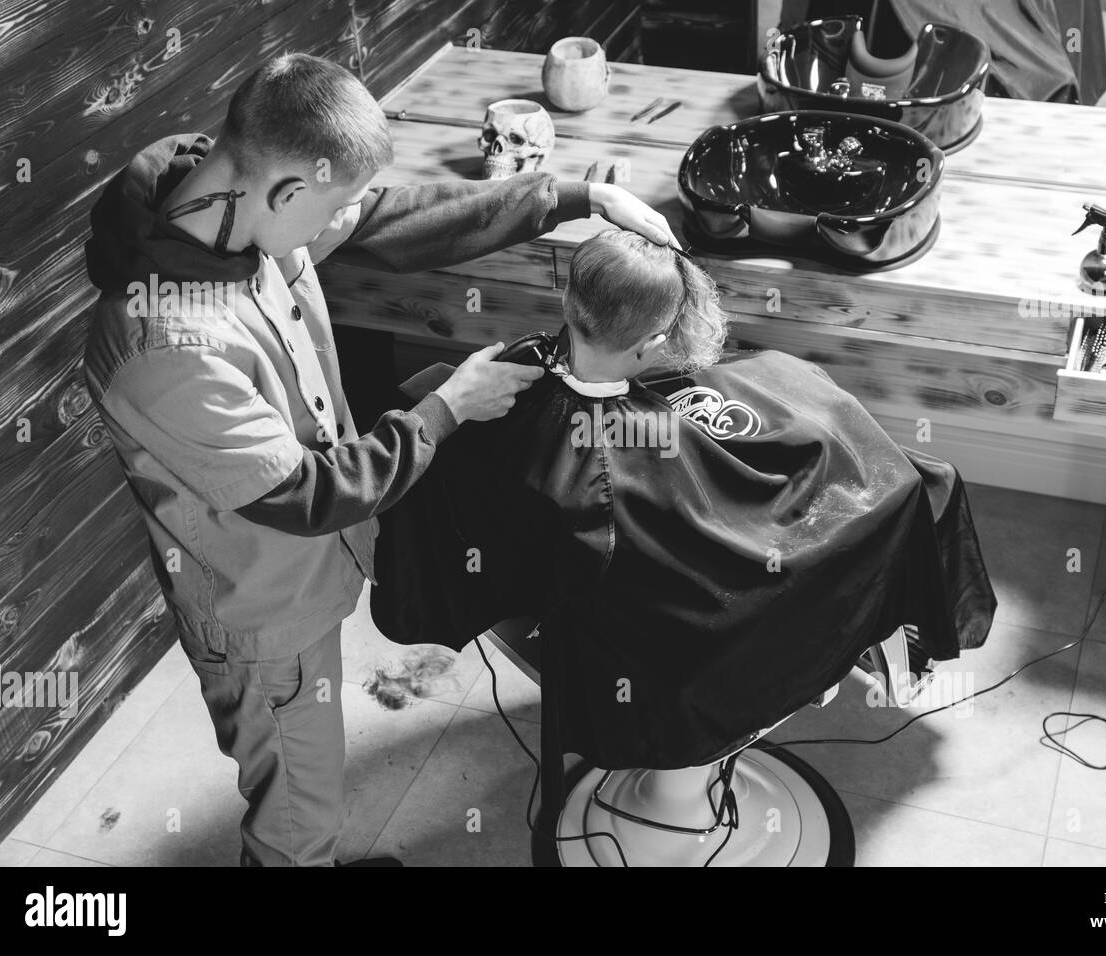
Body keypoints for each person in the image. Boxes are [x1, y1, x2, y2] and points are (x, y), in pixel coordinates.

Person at [82, 54, 678, 867]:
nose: (341, 223)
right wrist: (445, 409)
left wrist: (575, 196)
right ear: (290, 189)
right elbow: (307, 492)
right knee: (296, 803)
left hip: (303, 577)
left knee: (310, 776)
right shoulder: (168, 346)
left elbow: (389, 218)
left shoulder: (231, 196)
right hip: (261, 616)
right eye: (330, 205)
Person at [376, 228, 997, 771]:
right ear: (651, 345)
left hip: (564, 610)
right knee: (907, 487)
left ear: (570, 300)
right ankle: (876, 639)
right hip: (658, 660)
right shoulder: (607, 477)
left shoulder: (489, 385)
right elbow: (716, 557)